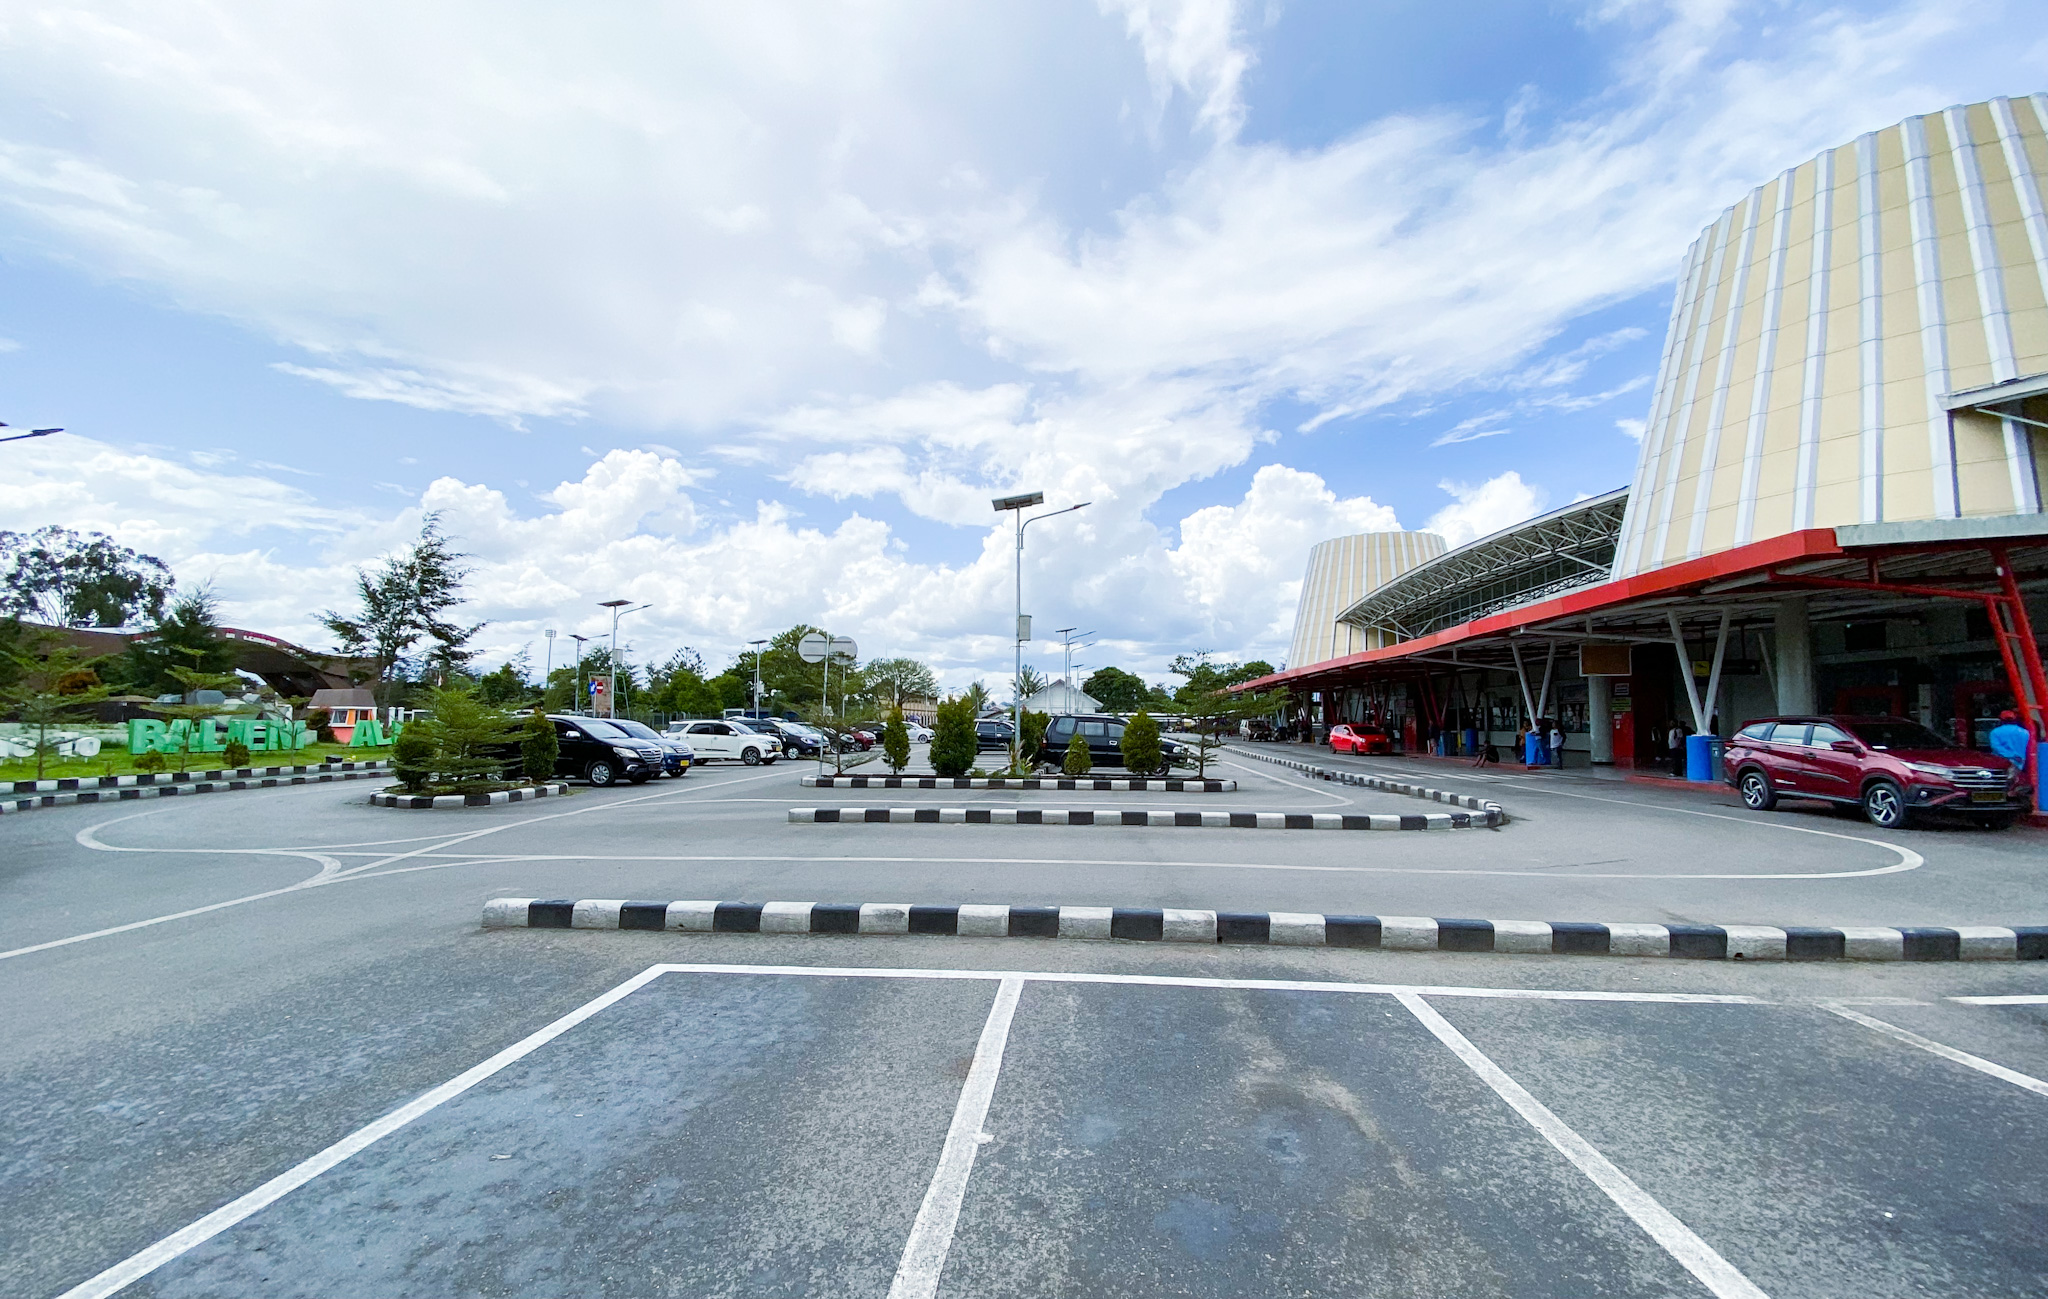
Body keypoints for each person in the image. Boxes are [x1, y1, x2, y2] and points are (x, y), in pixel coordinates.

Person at [1989, 710, 2034, 802]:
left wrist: (2010, 756)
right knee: (2017, 782)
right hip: (2020, 762)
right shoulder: (2025, 732)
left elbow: (1996, 747)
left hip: (2001, 762)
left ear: (2001, 719)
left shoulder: (1995, 732)